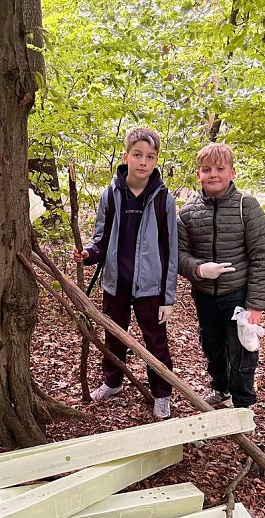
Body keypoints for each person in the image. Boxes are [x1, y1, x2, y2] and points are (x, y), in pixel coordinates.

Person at [73, 127, 178, 419]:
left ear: (156, 161)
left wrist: (168, 297)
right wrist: (88, 255)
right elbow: (101, 239)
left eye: (150, 157)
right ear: (126, 156)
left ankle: (162, 393)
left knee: (155, 340)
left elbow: (170, 250)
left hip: (151, 287)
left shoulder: (163, 199)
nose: (143, 162)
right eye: (138, 155)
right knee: (114, 335)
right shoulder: (112, 194)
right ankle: (112, 381)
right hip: (116, 282)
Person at [177, 142, 265, 408]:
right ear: (199, 174)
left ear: (232, 172)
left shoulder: (248, 207)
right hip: (205, 295)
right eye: (207, 169)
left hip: (238, 294)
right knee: (212, 346)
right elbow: (179, 254)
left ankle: (244, 403)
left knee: (242, 348)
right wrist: (197, 268)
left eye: (220, 168)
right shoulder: (187, 213)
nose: (214, 174)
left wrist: (255, 304)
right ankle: (221, 389)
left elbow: (262, 257)